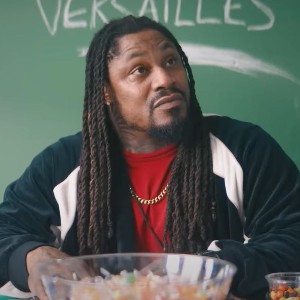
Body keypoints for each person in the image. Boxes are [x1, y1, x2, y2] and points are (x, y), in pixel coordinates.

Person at [0, 15, 299, 300]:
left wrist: (206, 267)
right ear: (106, 92)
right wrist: (30, 257)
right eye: (140, 70)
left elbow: (291, 238)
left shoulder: (246, 148)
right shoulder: (62, 165)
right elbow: (6, 231)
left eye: (171, 61)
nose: (165, 79)